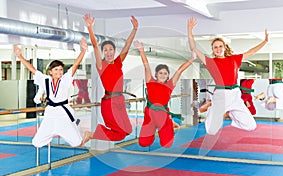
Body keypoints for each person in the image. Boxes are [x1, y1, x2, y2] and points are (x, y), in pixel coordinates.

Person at [188, 16, 268, 135]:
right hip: (220, 95)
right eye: (215, 47)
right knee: (211, 131)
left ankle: (232, 114)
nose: (218, 49)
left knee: (251, 126)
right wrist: (190, 29)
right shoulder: (211, 61)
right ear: (213, 50)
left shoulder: (234, 59)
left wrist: (265, 41)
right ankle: (213, 108)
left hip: (235, 94)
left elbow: (251, 52)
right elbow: (193, 48)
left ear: (225, 47)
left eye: (220, 46)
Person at [14, 38, 88, 148]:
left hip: (63, 114)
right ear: (50, 71)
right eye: (56, 69)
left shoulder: (66, 79)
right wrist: (19, 56)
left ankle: (79, 133)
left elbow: (75, 65)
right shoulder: (45, 80)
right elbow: (32, 69)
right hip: (50, 114)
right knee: (36, 143)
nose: (59, 72)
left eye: (61, 69)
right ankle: (51, 133)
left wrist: (83, 51)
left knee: (77, 143)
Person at [81, 14, 138, 145]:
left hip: (120, 101)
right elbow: (95, 45)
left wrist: (134, 29)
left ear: (114, 51)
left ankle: (94, 134)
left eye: (110, 49)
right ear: (103, 53)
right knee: (119, 136)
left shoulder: (118, 62)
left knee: (128, 130)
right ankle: (91, 135)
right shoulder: (101, 65)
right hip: (110, 103)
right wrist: (90, 27)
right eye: (105, 50)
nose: (108, 52)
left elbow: (127, 46)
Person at [134, 40, 196, 148]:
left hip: (163, 115)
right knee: (144, 143)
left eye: (165, 73)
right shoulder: (150, 81)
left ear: (168, 76)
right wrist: (141, 50)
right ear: (156, 74)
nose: (163, 75)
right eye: (160, 73)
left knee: (167, 144)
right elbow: (146, 66)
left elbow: (179, 70)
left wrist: (192, 59)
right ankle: (154, 130)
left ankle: (169, 125)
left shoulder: (170, 84)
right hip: (150, 114)